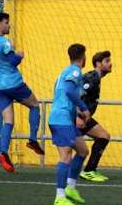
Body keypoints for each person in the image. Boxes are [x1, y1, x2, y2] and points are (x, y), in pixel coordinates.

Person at [0, 12, 44, 173]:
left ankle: (3, 151)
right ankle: (32, 139)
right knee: (34, 105)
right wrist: (19, 55)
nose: (9, 25)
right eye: (6, 22)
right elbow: (14, 61)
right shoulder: (5, 42)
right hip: (13, 83)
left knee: (8, 121)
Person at [48, 44, 91, 205]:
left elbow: (62, 96)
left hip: (65, 117)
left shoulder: (64, 72)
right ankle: (60, 198)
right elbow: (68, 91)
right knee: (65, 157)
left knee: (82, 150)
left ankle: (70, 187)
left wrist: (77, 113)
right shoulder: (75, 71)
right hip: (61, 119)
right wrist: (85, 109)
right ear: (84, 57)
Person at [78, 51, 112, 182]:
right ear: (98, 64)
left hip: (83, 116)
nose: (110, 64)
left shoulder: (96, 78)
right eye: (107, 61)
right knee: (102, 136)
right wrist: (78, 116)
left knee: (103, 136)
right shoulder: (92, 77)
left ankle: (90, 170)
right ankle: (87, 171)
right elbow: (77, 96)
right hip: (78, 117)